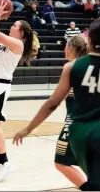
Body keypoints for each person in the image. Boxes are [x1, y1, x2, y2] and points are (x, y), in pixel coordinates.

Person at [13, 19, 100, 191]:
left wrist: (28, 129)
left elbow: (52, 103)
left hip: (80, 133)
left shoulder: (72, 67)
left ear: (90, 39)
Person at [0, 1, 34, 182]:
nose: (11, 26)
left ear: (22, 33)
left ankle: (5, 163)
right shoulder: (5, 42)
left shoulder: (17, 45)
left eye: (14, 25)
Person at [54, 36, 88, 189]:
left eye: (65, 46)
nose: (64, 49)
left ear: (71, 48)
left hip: (75, 122)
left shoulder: (70, 67)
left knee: (61, 162)